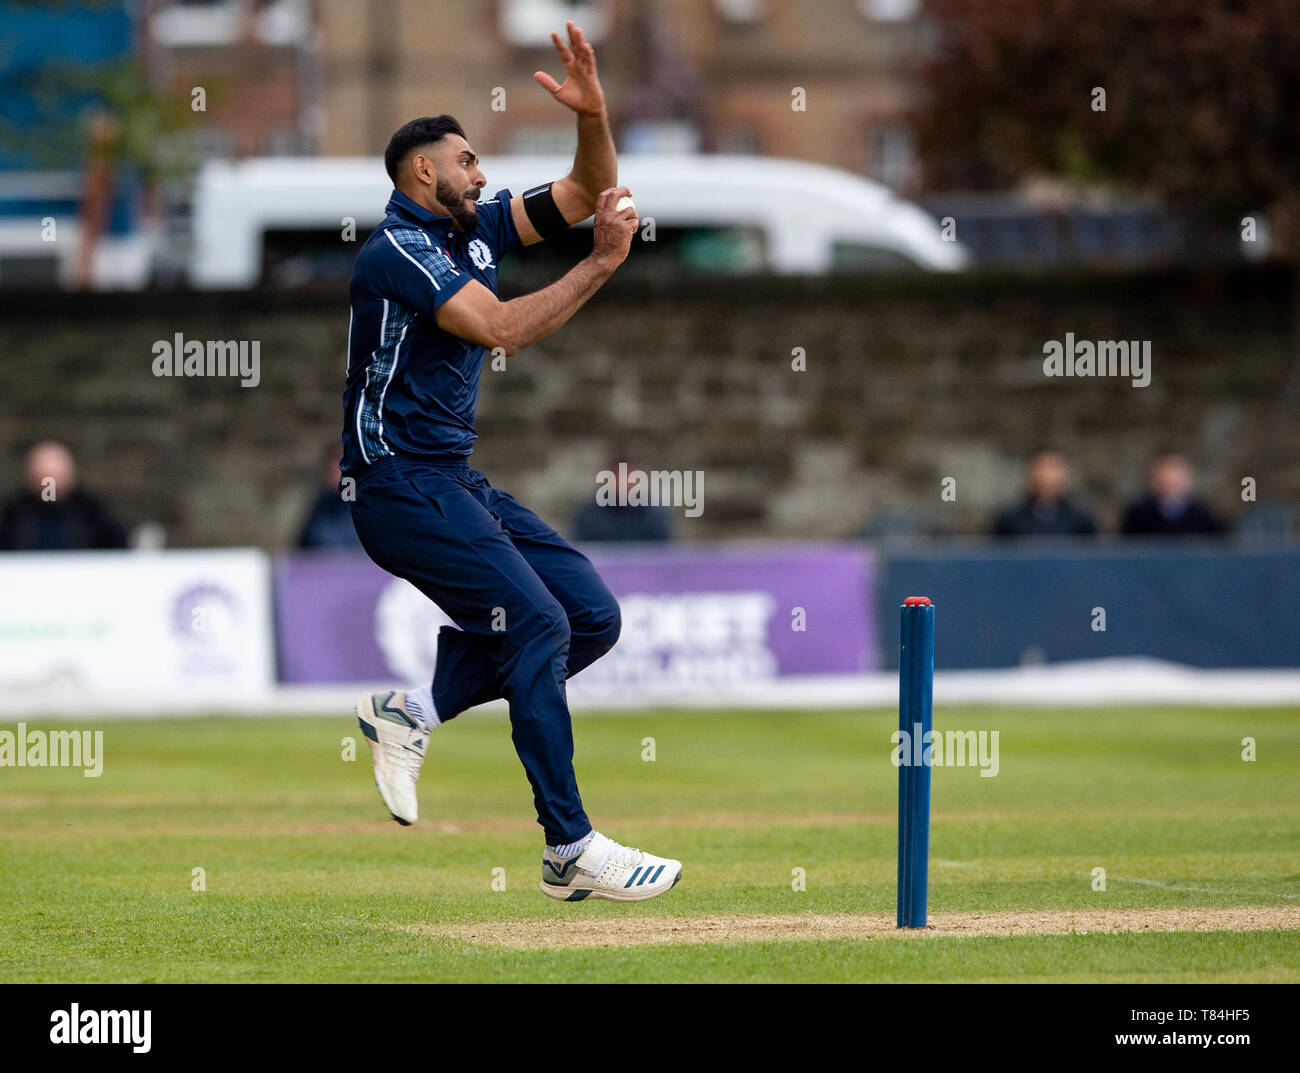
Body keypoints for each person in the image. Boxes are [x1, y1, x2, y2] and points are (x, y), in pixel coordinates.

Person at [343, 23, 680, 903]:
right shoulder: (398, 250)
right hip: (395, 486)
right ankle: (569, 844)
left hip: (450, 478)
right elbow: (500, 328)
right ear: (425, 173)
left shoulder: (475, 230)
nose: (482, 175)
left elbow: (588, 187)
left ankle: (411, 710)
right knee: (536, 624)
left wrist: (595, 114)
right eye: (467, 162)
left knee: (589, 616)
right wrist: (603, 264)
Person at [0, 441, 128, 551]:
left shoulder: (90, 508)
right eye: (44, 478)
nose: (50, 487)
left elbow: (118, 542)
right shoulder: (16, 510)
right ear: (32, 479)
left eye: (56, 478)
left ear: (69, 476)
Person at [989, 449, 1097, 538]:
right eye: (1041, 467)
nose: (1047, 475)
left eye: (1053, 467)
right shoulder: (1010, 517)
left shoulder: (1080, 518)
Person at [571, 453, 675, 542]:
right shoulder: (588, 516)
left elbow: (662, 554)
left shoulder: (655, 515)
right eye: (619, 477)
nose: (624, 484)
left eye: (629, 477)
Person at [1121, 451, 1225, 536]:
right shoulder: (1138, 514)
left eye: (1176, 470)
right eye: (1165, 470)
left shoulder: (1205, 514)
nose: (1170, 478)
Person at [296, 445, 362, 549]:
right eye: (333, 471)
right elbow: (304, 548)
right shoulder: (321, 507)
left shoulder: (369, 505)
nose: (338, 476)